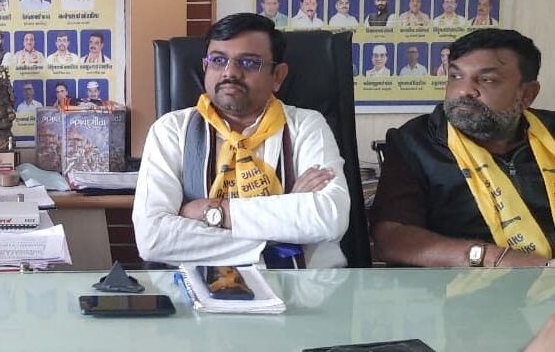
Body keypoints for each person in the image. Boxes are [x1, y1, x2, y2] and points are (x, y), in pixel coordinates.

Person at [132, 13, 350, 268]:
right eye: (218, 60)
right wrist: (284, 237)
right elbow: (153, 238)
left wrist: (213, 212)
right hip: (196, 287)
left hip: (302, 287)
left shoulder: (307, 125)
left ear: (278, 76)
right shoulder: (171, 130)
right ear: (205, 67)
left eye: (249, 63)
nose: (230, 72)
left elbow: (329, 216)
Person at [373, 29, 555, 268]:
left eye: (487, 80)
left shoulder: (550, 133)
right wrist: (492, 258)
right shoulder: (416, 142)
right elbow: (391, 238)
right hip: (458, 284)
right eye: (456, 76)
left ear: (527, 94)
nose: (464, 90)